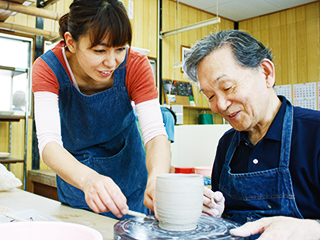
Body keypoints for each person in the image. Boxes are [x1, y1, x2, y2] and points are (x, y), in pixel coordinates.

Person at [32, 0, 171, 220]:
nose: (111, 62)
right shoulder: (48, 68)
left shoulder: (135, 65)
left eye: (120, 49)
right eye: (99, 50)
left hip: (131, 184)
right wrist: (88, 180)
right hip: (78, 185)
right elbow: (48, 144)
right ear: (70, 42)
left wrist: (158, 177)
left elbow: (155, 134)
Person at [183, 30, 320, 239]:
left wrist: (311, 230)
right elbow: (226, 218)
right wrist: (215, 214)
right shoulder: (227, 144)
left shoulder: (315, 133)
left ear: (266, 72)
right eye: (210, 96)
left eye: (227, 87)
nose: (220, 105)